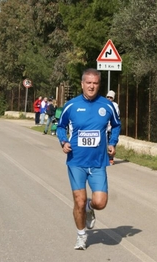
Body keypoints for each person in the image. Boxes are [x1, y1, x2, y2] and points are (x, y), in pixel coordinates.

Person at [56, 68, 121, 250]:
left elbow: (116, 125)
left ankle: (90, 209)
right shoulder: (71, 105)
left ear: (99, 85)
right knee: (79, 200)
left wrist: (113, 143)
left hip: (98, 162)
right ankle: (81, 235)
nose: (92, 86)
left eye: (95, 83)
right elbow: (60, 126)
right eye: (88, 83)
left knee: (100, 202)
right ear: (82, 84)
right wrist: (63, 141)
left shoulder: (107, 106)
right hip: (76, 160)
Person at [106, 90, 120, 165]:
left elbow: (116, 117)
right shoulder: (104, 104)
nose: (109, 98)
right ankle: (104, 157)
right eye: (108, 97)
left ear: (113, 98)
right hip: (105, 128)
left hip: (111, 127)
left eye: (111, 97)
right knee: (104, 143)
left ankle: (111, 158)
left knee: (112, 143)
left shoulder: (115, 105)